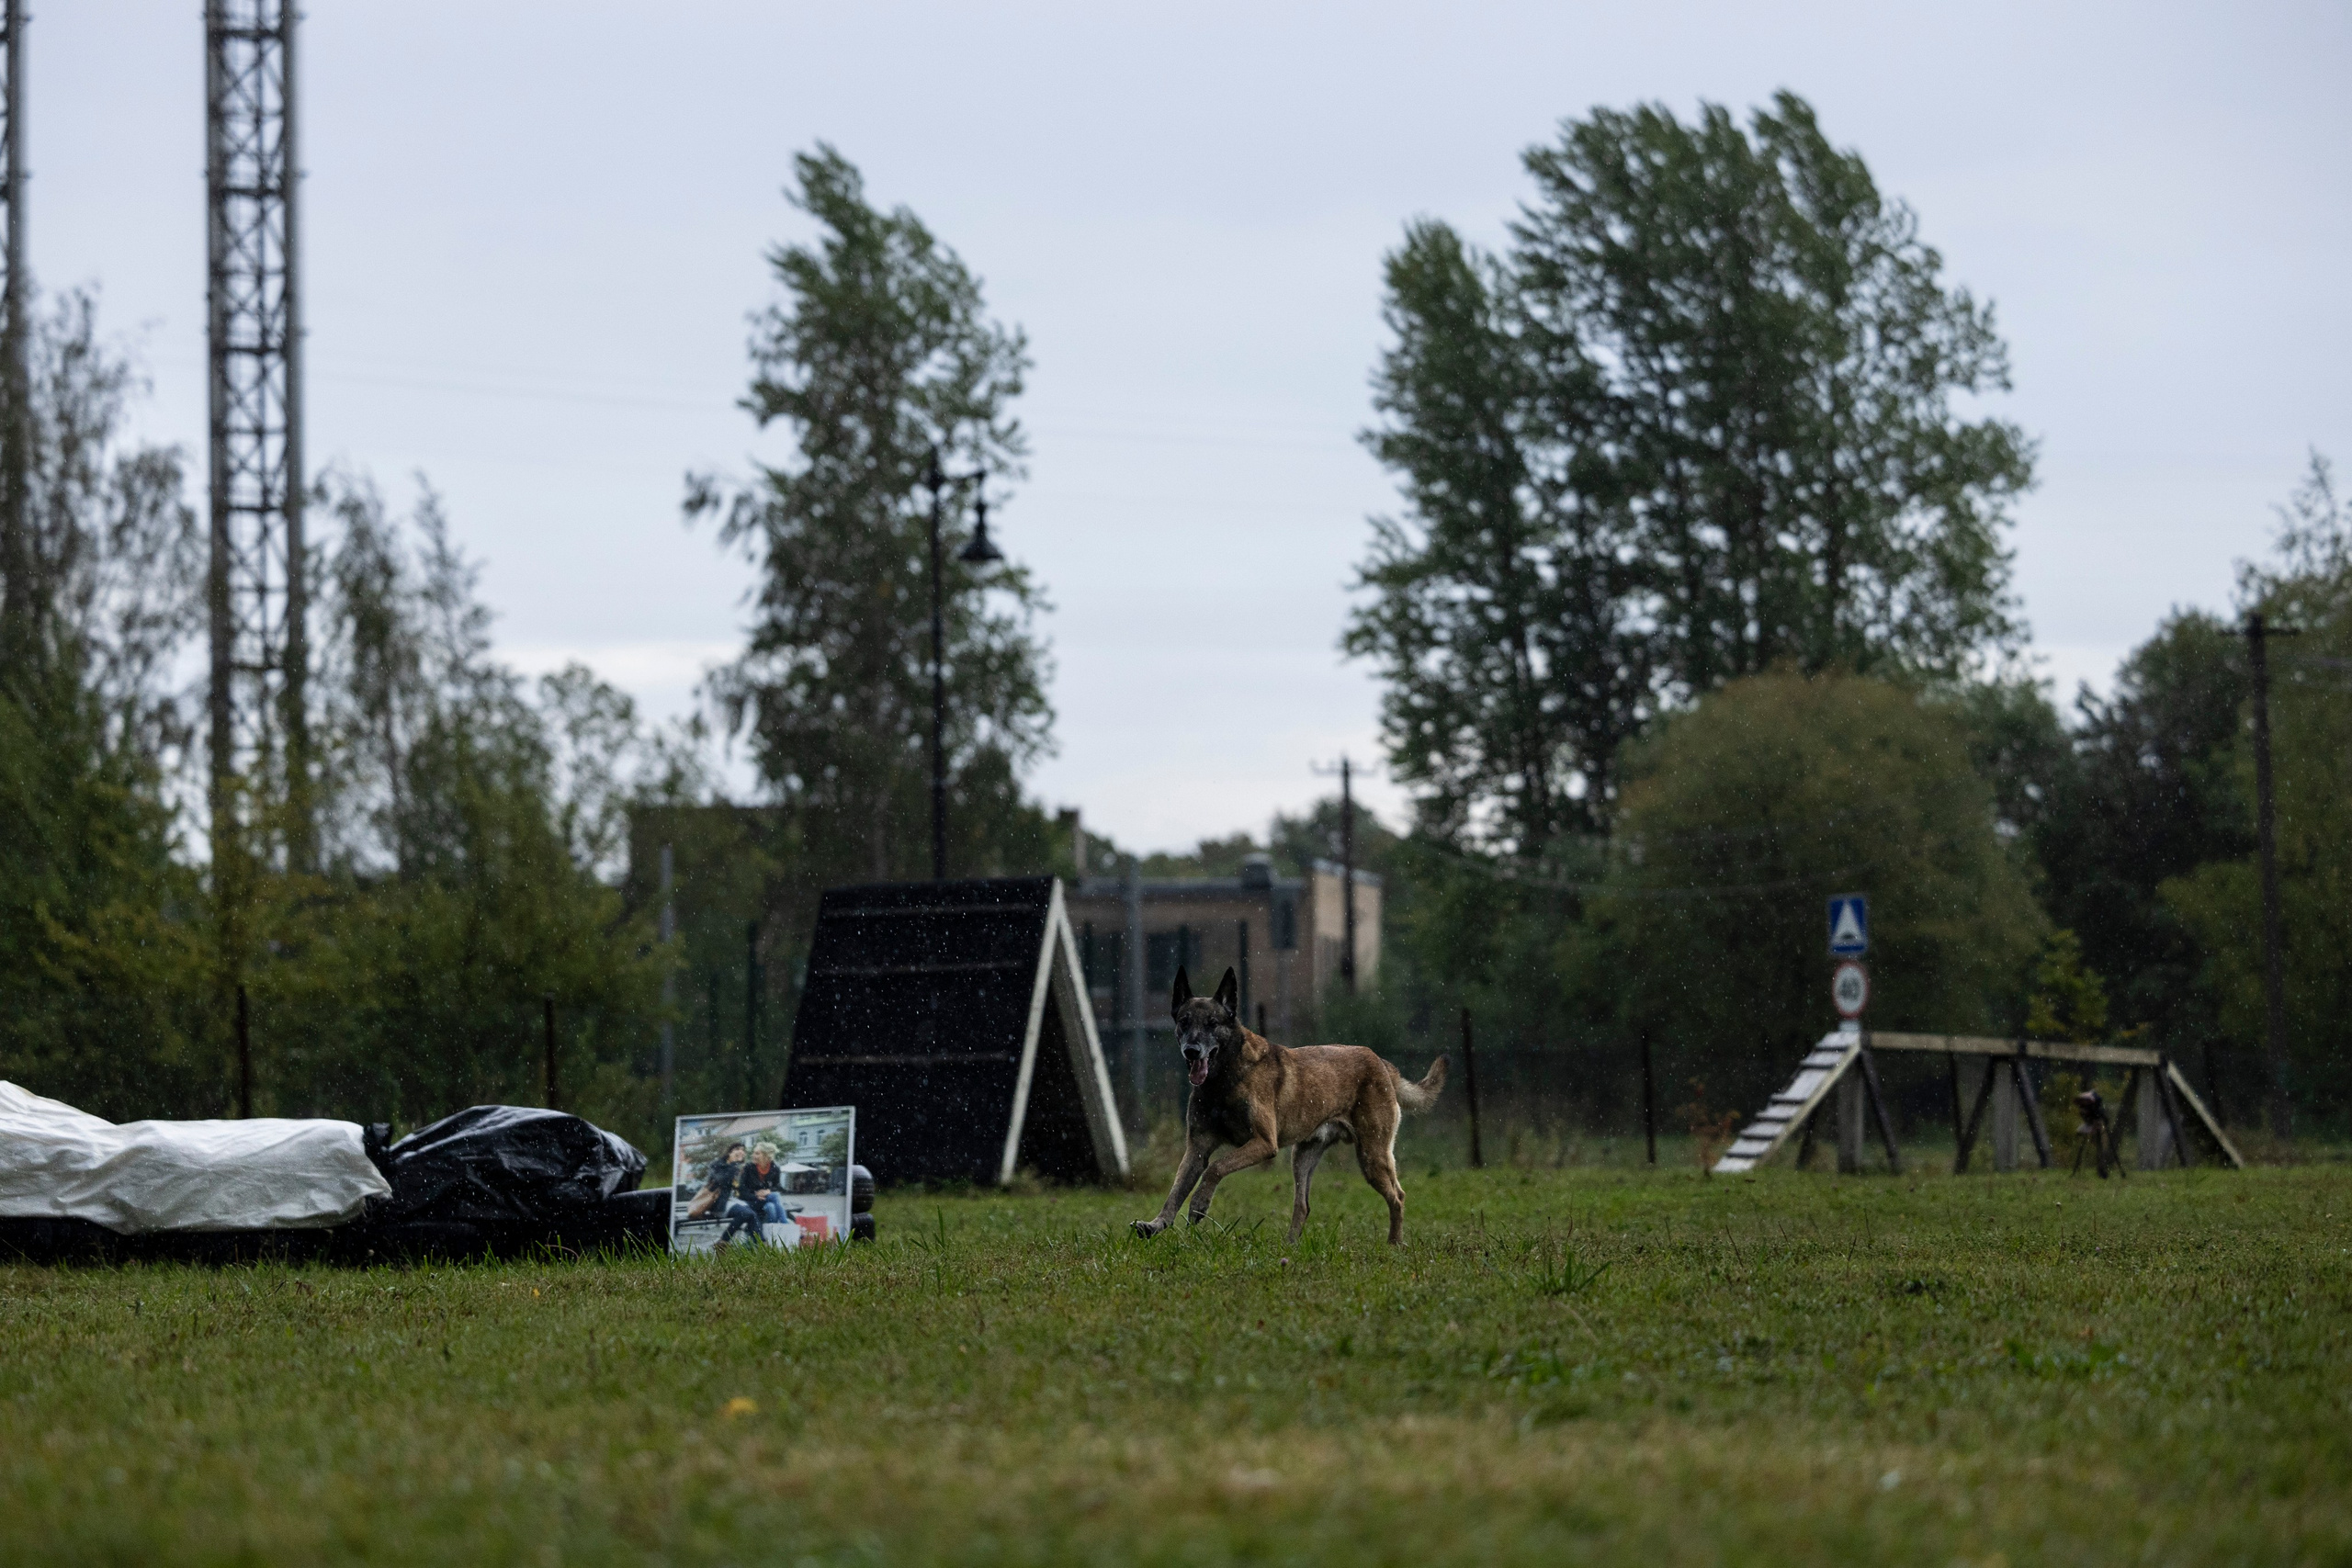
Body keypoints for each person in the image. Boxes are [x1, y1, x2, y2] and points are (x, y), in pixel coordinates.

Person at [684, 1143, 748, 1224]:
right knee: (747, 1213)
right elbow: (721, 1181)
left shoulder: (738, 1167)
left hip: (731, 1200)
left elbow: (740, 1187)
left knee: (752, 1213)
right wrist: (733, 1165)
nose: (741, 1152)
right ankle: (729, 1232)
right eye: (737, 1149)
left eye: (743, 1150)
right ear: (729, 1153)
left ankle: (744, 1231)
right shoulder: (717, 1164)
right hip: (718, 1203)